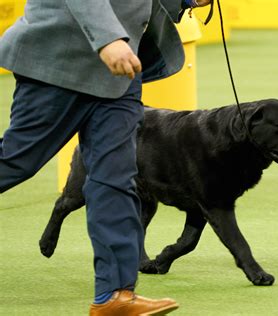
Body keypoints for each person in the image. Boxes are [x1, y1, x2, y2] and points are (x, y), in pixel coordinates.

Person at [0, 0, 211, 315]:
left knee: (115, 178)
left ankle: (115, 295)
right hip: (61, 60)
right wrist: (108, 38)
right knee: (15, 162)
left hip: (121, 74)